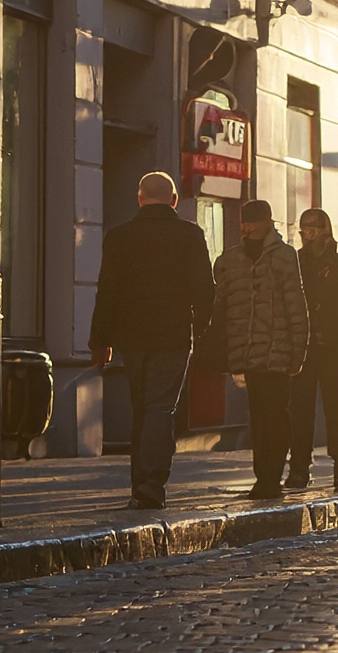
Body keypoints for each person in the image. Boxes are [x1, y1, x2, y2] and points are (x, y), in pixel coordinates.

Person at [87, 173, 215, 508]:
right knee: (161, 407)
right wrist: (198, 328)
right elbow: (205, 289)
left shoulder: (119, 237)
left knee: (142, 407)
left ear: (140, 199)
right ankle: (151, 483)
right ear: (173, 200)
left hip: (133, 336)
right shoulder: (190, 235)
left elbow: (107, 291)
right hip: (173, 335)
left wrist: (100, 339)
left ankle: (139, 483)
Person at [212, 199, 309, 499]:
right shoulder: (229, 261)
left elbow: (296, 305)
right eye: (246, 222)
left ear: (268, 222)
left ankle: (271, 476)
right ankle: (263, 477)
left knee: (275, 414)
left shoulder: (283, 257)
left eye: (255, 222)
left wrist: (298, 350)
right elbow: (221, 309)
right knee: (260, 416)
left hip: (278, 352)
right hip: (249, 353)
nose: (250, 228)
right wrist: (223, 351)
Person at [287, 208, 338, 493]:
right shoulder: (296, 262)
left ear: (324, 232)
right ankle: (299, 467)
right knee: (300, 409)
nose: (307, 235)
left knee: (336, 408)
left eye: (312, 229)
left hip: (332, 347)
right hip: (303, 348)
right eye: (304, 229)